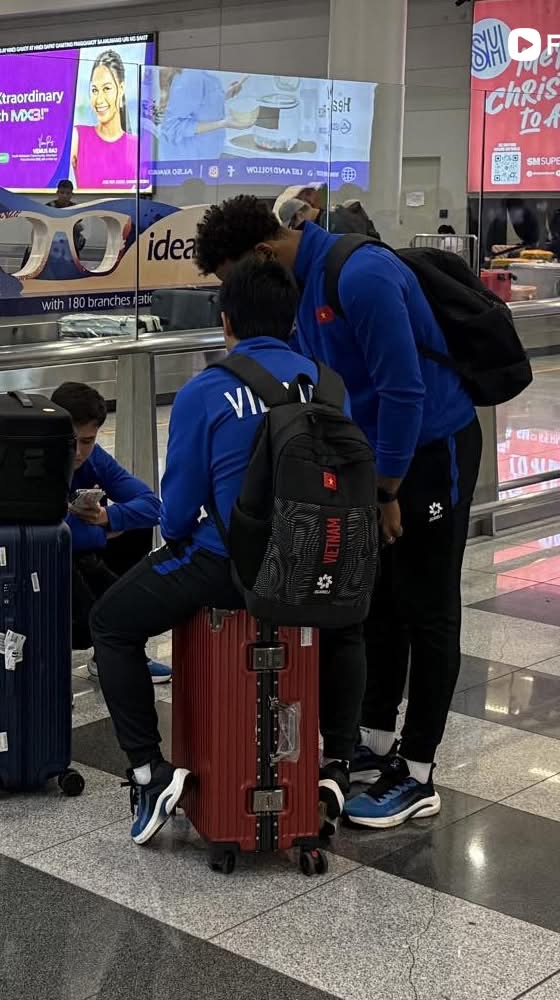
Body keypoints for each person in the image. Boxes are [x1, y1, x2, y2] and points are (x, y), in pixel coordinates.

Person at [194, 196, 482, 830]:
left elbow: (403, 389)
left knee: (428, 604)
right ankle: (375, 743)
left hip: (430, 450)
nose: (238, 295)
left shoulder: (361, 275)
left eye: (235, 277)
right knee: (372, 595)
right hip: (369, 458)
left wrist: (387, 493)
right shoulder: (299, 288)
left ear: (263, 252)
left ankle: (419, 770)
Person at [90, 258, 367, 845]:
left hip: (231, 568)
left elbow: (177, 509)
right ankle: (338, 764)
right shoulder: (330, 383)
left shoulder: (207, 391)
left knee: (111, 623)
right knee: (346, 627)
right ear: (292, 320)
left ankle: (148, 771)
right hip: (321, 563)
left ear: (225, 321)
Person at [51, 382, 171, 685]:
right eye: (72, 441)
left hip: (82, 555)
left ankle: (110, 655)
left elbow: (152, 506)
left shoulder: (94, 459)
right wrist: (102, 533)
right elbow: (49, 531)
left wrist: (107, 516)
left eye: (88, 441)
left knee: (137, 531)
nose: (79, 452)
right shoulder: (35, 459)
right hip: (50, 562)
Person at [71, 51, 140, 190]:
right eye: (95, 90)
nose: (99, 99)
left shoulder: (137, 146)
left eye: (107, 88)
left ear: (121, 89)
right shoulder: (78, 137)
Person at [156, 69, 252, 162]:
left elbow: (203, 103)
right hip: (186, 159)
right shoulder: (191, 77)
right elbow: (174, 127)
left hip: (203, 157)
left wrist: (228, 94)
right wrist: (223, 123)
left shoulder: (200, 75)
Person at [47, 180, 86, 257]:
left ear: (72, 194)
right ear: (57, 193)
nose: (64, 196)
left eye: (68, 193)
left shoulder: (76, 208)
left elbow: (79, 224)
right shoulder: (49, 207)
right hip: (53, 241)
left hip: (70, 241)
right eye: (62, 193)